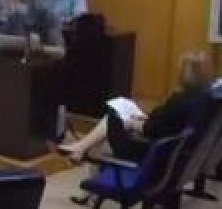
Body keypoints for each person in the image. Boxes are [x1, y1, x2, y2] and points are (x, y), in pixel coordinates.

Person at [60, 51, 211, 166]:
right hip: (168, 151)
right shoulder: (202, 99)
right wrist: (144, 120)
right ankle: (80, 149)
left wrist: (134, 124)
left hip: (146, 150)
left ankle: (80, 149)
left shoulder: (178, 100)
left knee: (113, 116)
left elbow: (152, 130)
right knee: (115, 115)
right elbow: (166, 125)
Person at [0, 0, 64, 57]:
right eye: (17, 0)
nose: (17, 4)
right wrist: (25, 43)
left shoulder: (50, 18)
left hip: (39, 62)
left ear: (37, 0)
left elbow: (60, 52)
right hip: (16, 60)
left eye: (22, 1)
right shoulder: (16, 16)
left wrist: (40, 48)